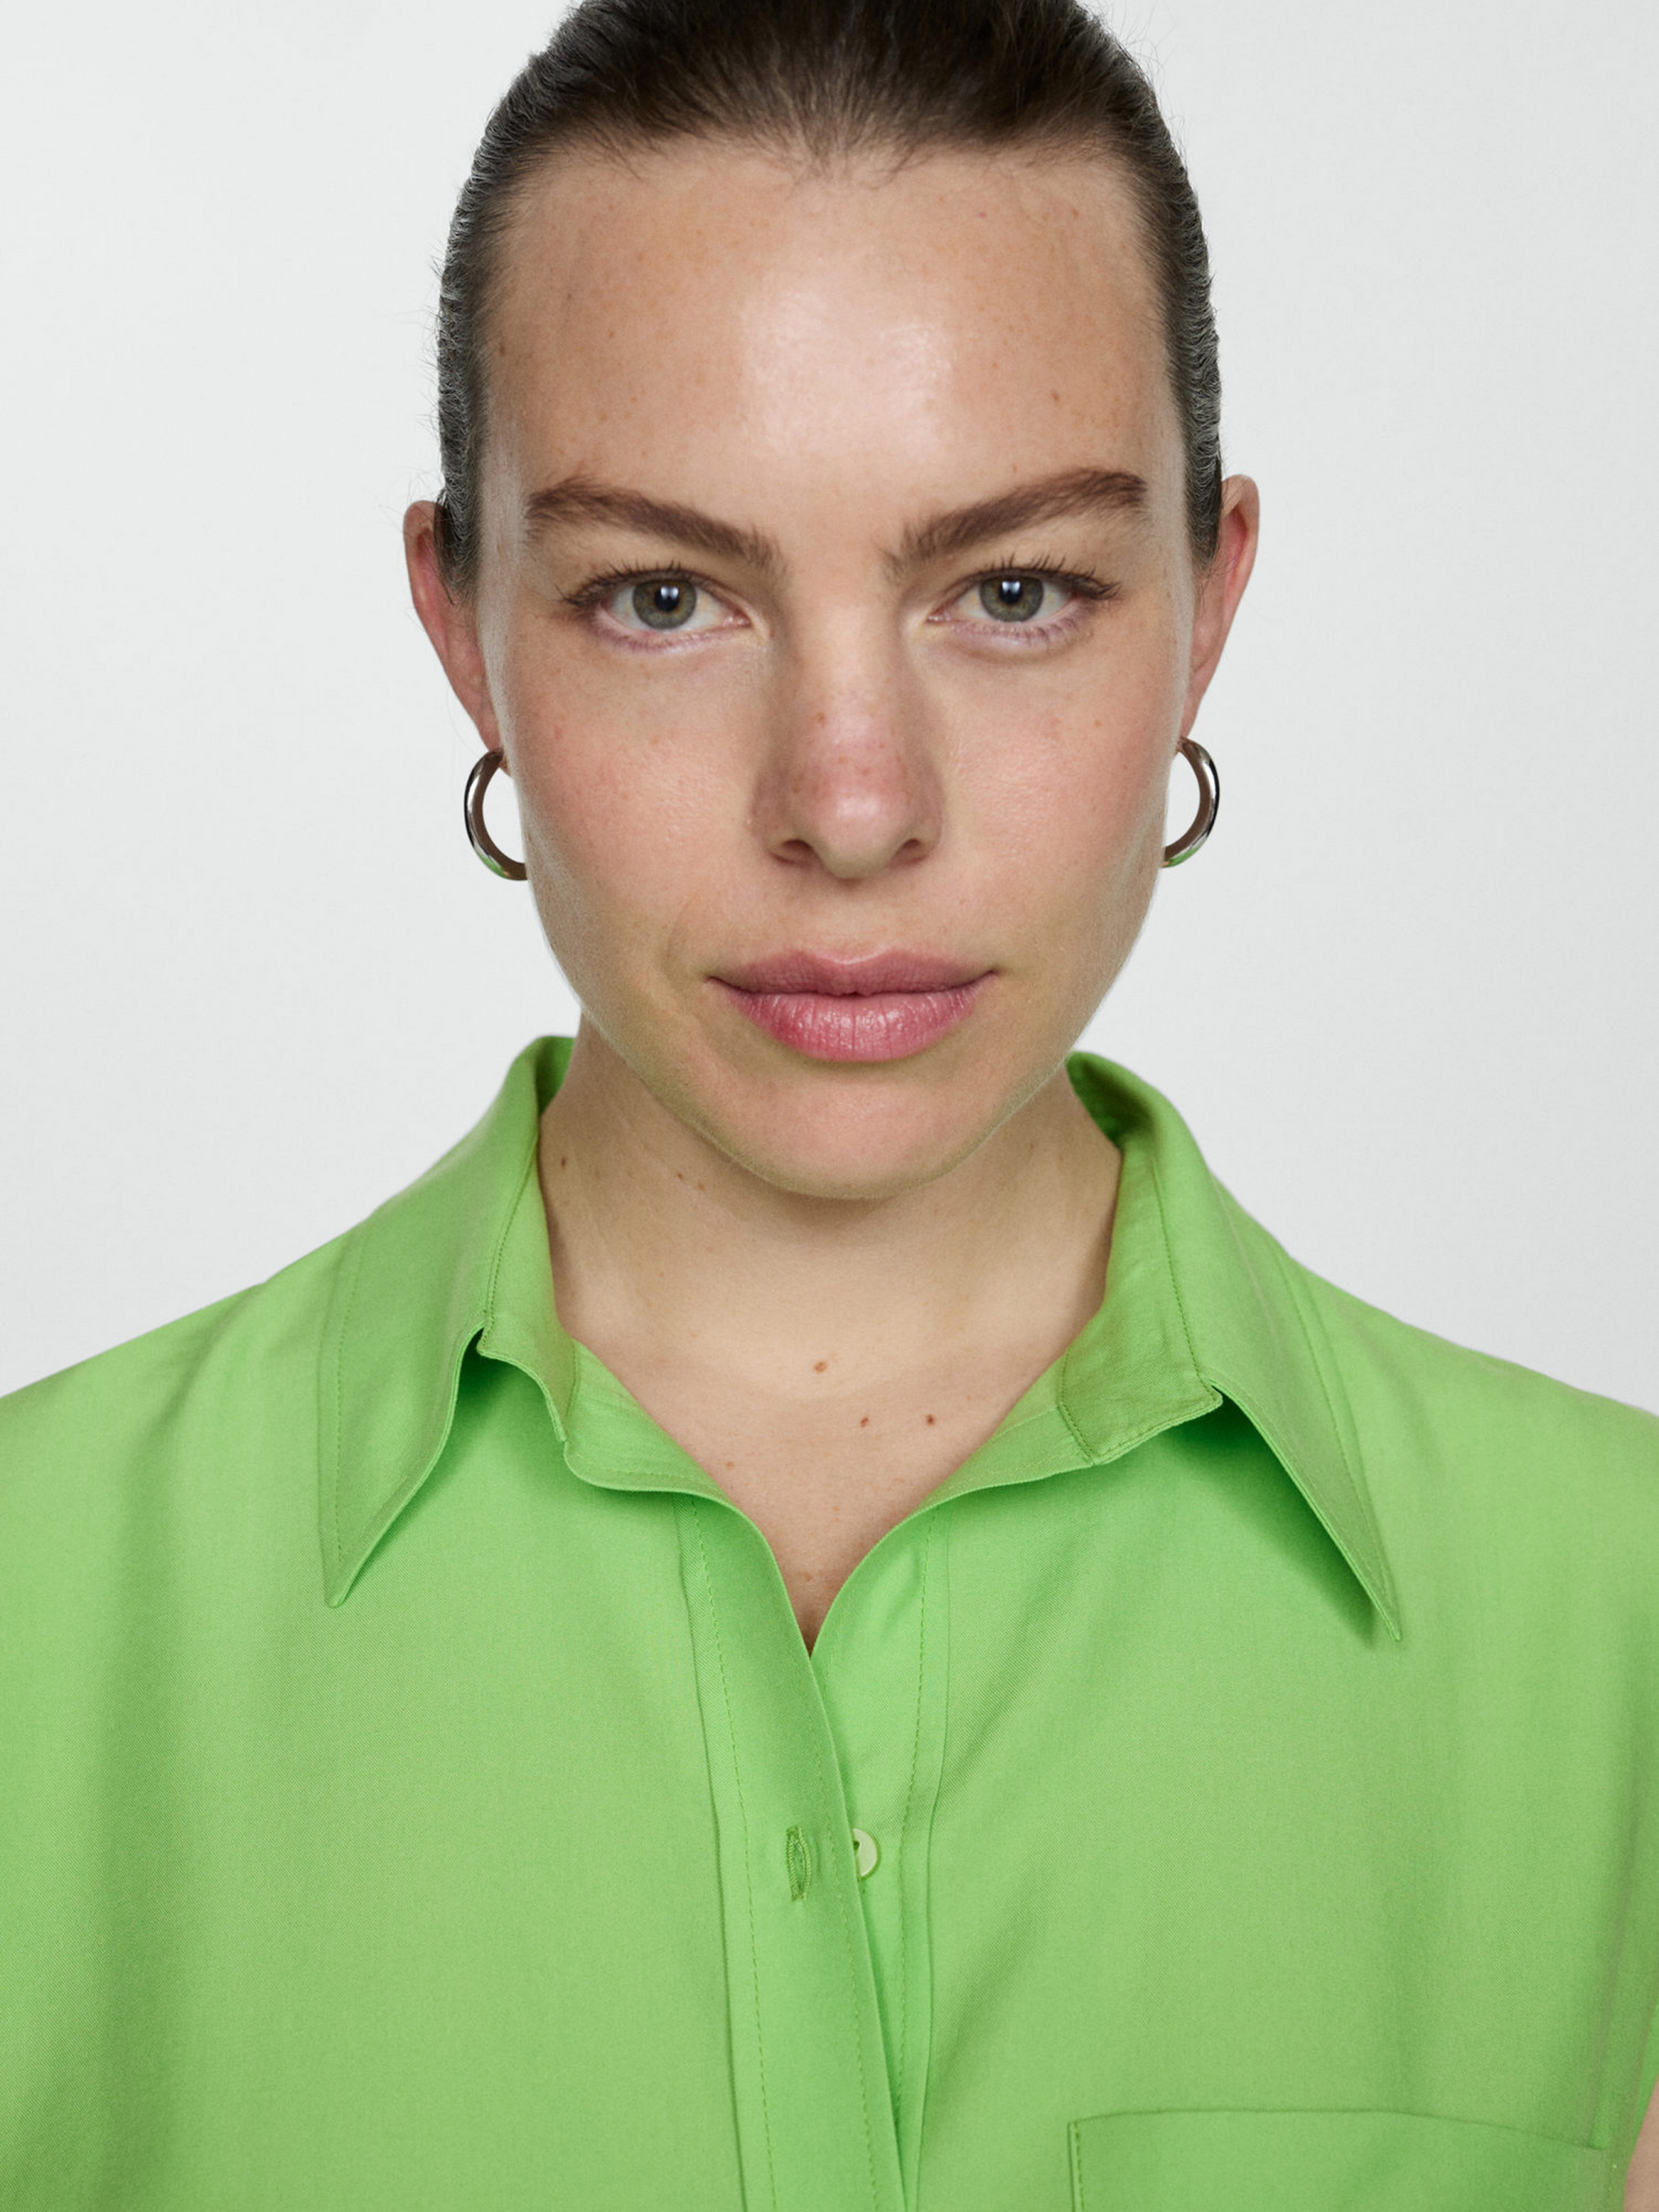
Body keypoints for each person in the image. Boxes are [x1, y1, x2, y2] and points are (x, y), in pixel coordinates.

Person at [2, 0, 1656, 2204]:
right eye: (662, 598)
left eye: (1015, 591)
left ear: (1208, 606)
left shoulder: (1626, 1639)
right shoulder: (38, 1613)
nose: (852, 805)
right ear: (466, 627)